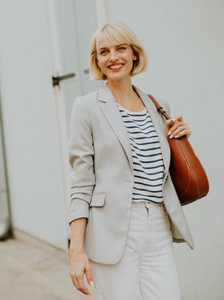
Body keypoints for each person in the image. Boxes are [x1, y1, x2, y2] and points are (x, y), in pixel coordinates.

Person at [68, 22, 195, 300]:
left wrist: (181, 139)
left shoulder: (157, 105)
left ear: (134, 54)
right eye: (104, 52)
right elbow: (80, 184)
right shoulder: (86, 108)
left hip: (158, 224)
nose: (113, 57)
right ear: (97, 61)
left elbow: (163, 168)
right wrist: (76, 250)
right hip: (112, 231)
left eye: (120, 48)